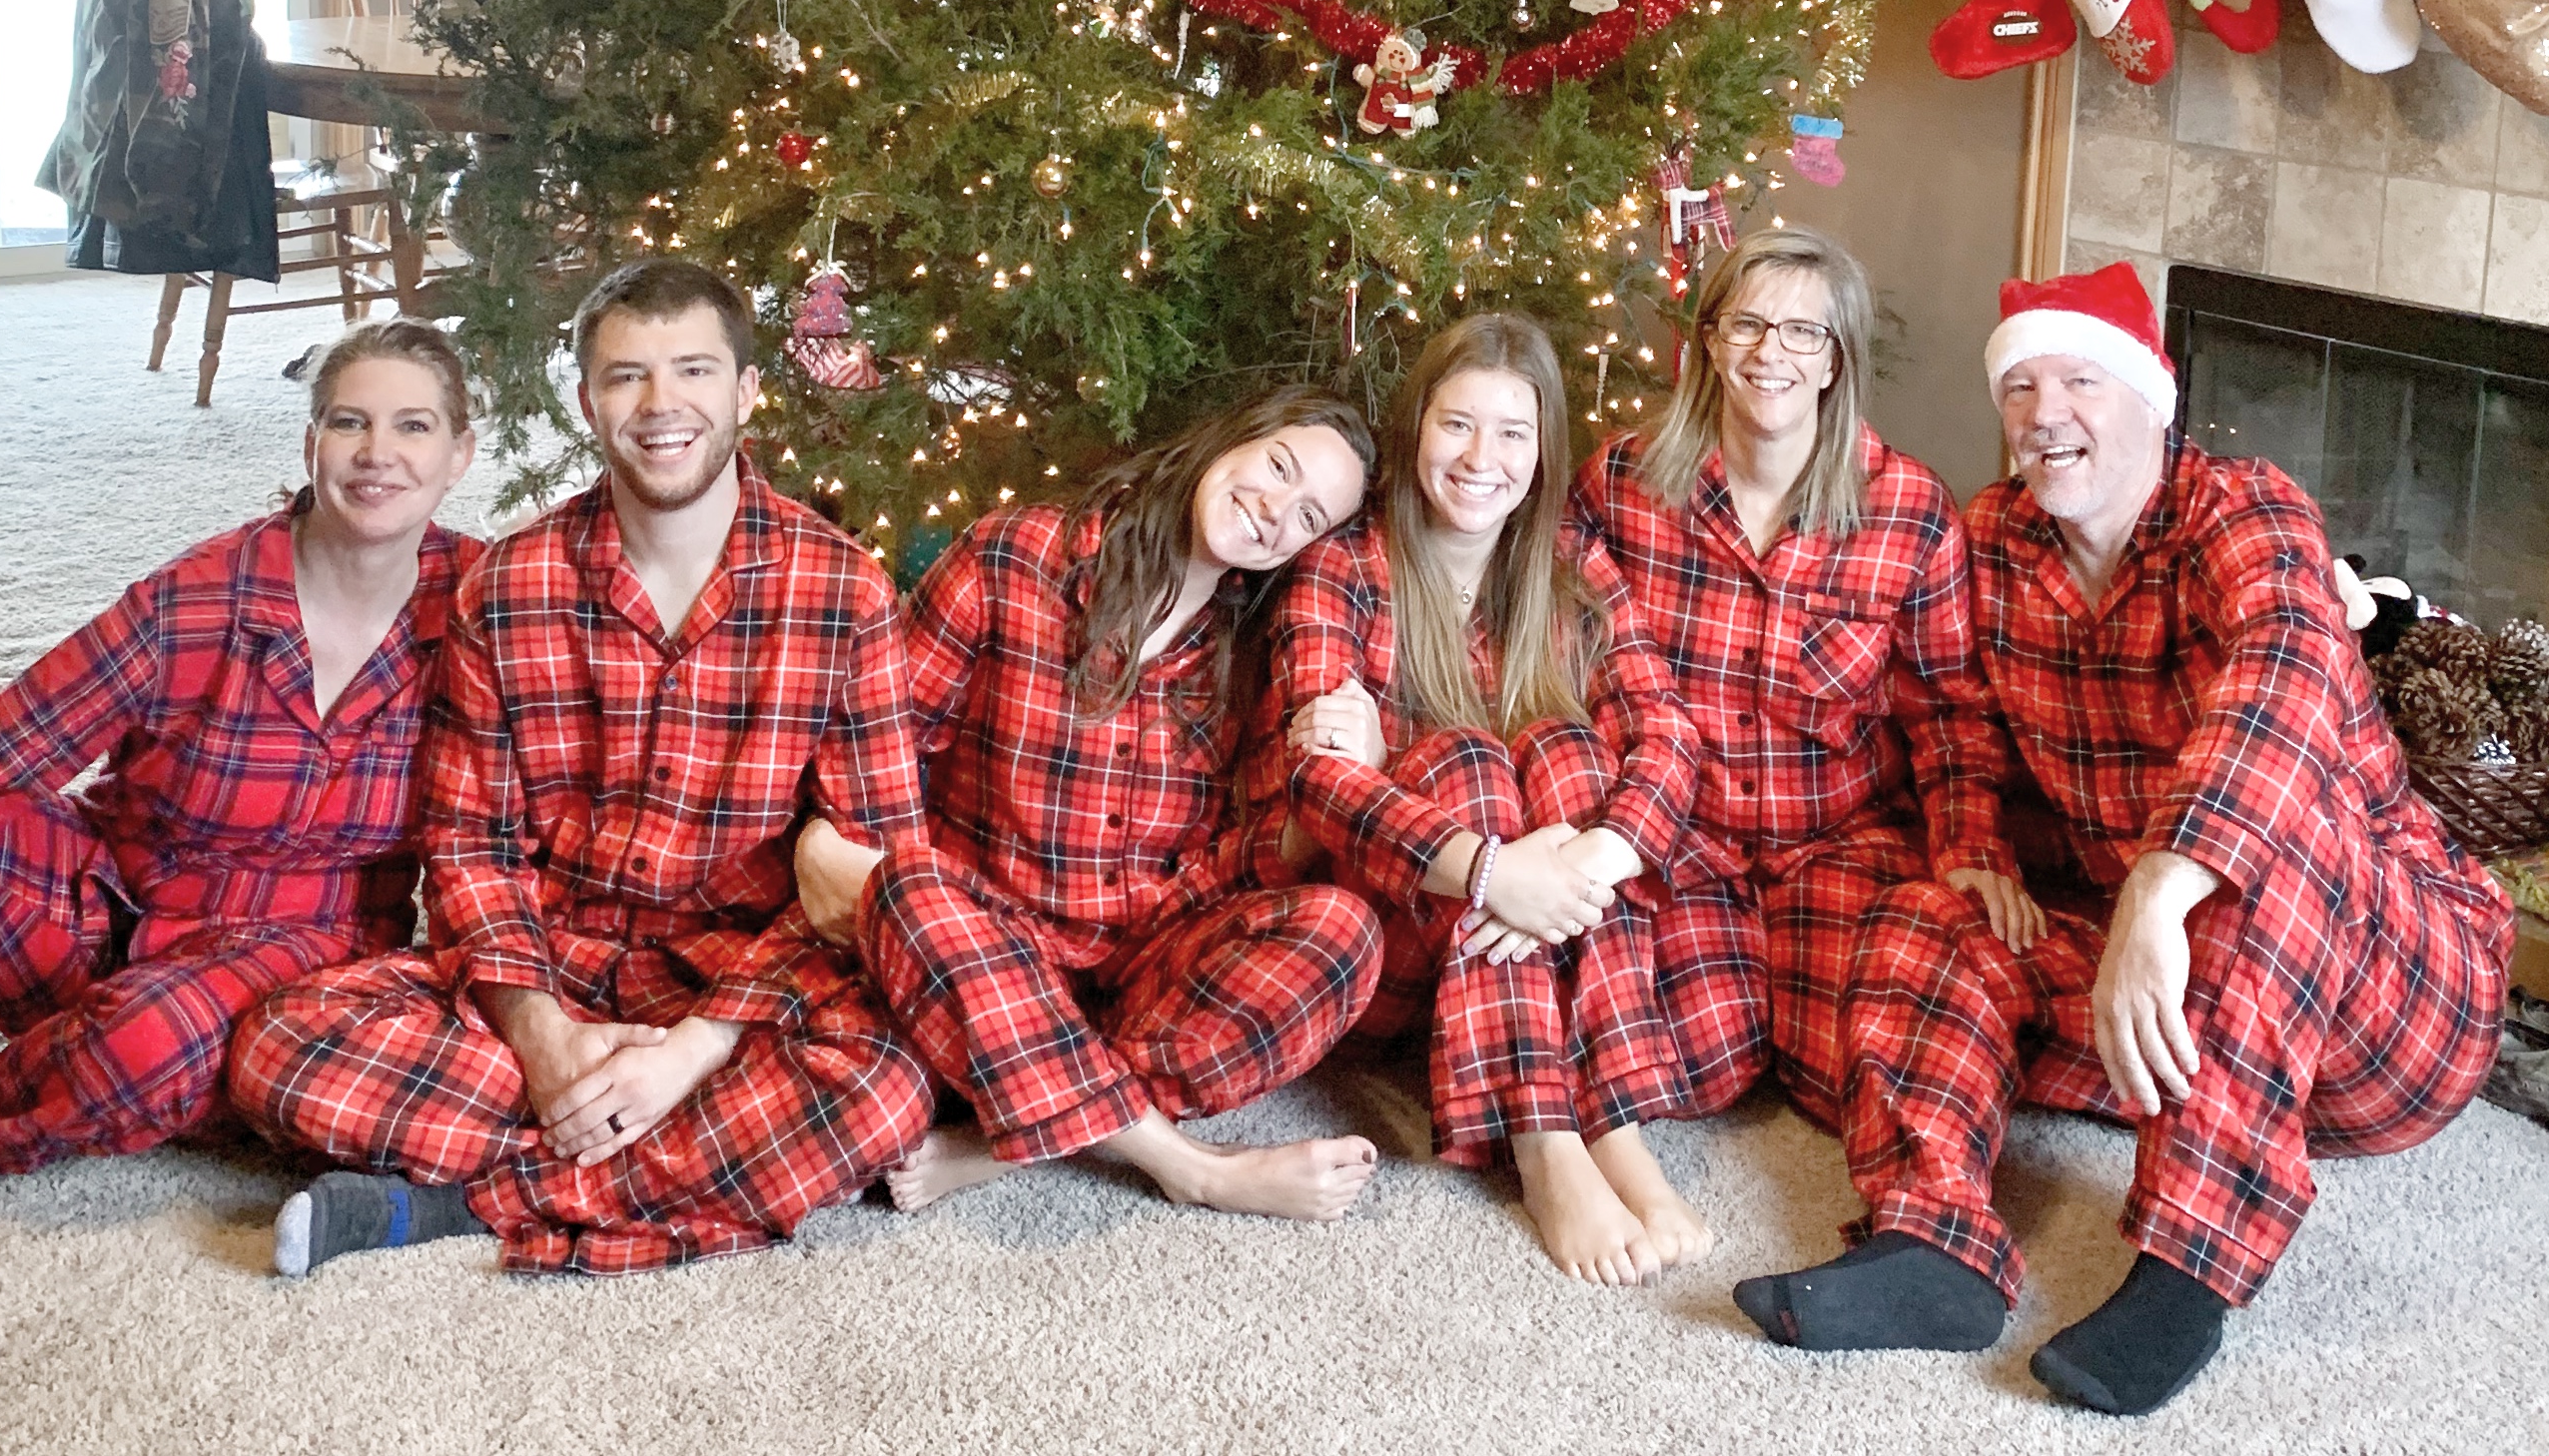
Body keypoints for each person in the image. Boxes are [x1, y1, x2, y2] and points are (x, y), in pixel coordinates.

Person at [1747, 263, 2510, 1415]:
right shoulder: (1995, 540)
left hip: (2395, 1001)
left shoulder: (2245, 510)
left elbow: (2285, 678)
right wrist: (1974, 850)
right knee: (1927, 910)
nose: (2046, 413)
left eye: (2081, 382)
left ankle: (2186, 1269)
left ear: (2154, 400)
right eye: (2022, 387)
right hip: (2183, 1012)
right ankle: (1932, 1240)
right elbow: (1954, 719)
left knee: (2278, 833)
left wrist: (2158, 891)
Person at [233, 259, 934, 1276]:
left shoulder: (845, 592)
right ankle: (665, 1172)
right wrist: (547, 1039)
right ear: (586, 401)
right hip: (554, 967)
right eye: (625, 377)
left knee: (887, 1084)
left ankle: (453, 1205)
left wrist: (692, 1050)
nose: (661, 406)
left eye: (693, 370)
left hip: (736, 996)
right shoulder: (508, 584)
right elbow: (470, 847)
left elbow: (868, 877)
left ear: (745, 392)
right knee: (278, 1046)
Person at [0, 321, 481, 1170]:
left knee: (146, 1043)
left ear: (460, 454)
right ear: (310, 442)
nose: (377, 453)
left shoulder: (489, 609)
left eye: (414, 426)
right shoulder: (196, 597)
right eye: (348, 422)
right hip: (100, 917)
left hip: (298, 964)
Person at [794, 387, 1384, 1222]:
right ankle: (1189, 1168)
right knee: (905, 886)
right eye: (1279, 467)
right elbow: (878, 747)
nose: (1275, 509)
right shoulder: (1018, 554)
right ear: (1231, 436)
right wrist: (871, 877)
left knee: (1343, 933)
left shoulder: (1251, 647)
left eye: (1310, 516)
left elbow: (1240, 859)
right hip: (984, 937)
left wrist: (1364, 759)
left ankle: (1009, 1131)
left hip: (1137, 957)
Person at [1570, 226, 2020, 1303]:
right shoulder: (1624, 484)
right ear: (1712, 341)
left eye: (1804, 331)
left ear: (1835, 357)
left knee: (1909, 1011)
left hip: (1839, 847)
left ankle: (1934, 1244)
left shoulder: (1908, 508)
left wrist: (1968, 851)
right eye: (1750, 323)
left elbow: (1953, 714)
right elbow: (1560, 656)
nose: (1775, 351)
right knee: (1697, 1065)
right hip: (1685, 851)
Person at [1268, 314, 1715, 1284]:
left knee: (1567, 747)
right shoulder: (1348, 565)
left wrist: (1586, 858)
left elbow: (1668, 732)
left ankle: (1615, 1117)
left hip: (1542, 933)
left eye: (1513, 432)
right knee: (1470, 758)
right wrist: (1495, 869)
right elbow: (1319, 778)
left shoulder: (1569, 570)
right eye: (1457, 424)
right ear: (1417, 429)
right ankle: (1545, 1140)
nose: (1482, 457)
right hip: (1400, 936)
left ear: (1545, 446)